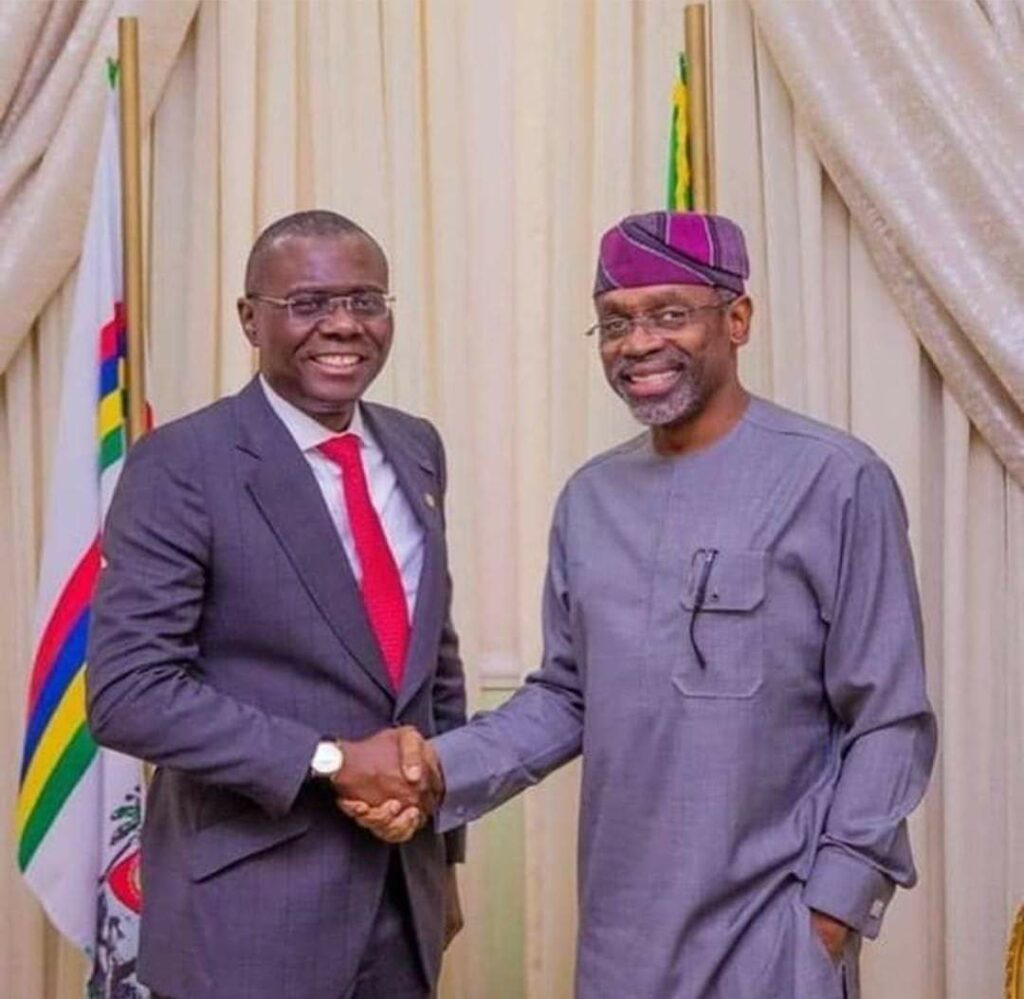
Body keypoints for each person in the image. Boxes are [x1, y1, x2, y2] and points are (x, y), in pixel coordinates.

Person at [345, 211, 938, 998]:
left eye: (670, 314)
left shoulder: (837, 481)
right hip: (621, 939)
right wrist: (433, 769)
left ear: (737, 318)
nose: (637, 343)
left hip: (772, 932)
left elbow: (889, 719)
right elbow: (566, 695)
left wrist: (831, 910)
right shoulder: (591, 498)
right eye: (615, 322)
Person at [85, 210, 465, 999]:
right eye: (309, 302)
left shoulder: (416, 445)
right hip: (249, 914)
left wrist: (444, 852)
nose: (343, 325)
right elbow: (129, 695)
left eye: (366, 300)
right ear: (249, 318)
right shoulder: (183, 463)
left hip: (404, 899)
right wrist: (327, 759)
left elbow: (433, 667)